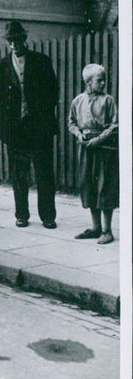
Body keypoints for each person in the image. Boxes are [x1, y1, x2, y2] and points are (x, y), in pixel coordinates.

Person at [0, 20, 58, 229]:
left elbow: (53, 93)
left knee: (44, 173)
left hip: (39, 129)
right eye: (11, 40)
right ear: (8, 43)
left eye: (18, 39)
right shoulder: (0, 67)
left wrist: (41, 115)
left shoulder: (42, 61)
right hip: (15, 130)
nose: (15, 44)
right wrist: (6, 127)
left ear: (24, 39)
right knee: (18, 174)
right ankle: (21, 214)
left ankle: (48, 216)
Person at [68, 64, 118, 244]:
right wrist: (79, 134)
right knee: (88, 184)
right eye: (99, 80)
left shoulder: (108, 101)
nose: (103, 83)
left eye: (104, 79)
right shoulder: (78, 101)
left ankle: (107, 230)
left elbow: (115, 124)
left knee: (104, 185)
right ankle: (96, 228)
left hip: (103, 149)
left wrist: (100, 139)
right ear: (87, 82)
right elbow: (71, 123)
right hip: (86, 147)